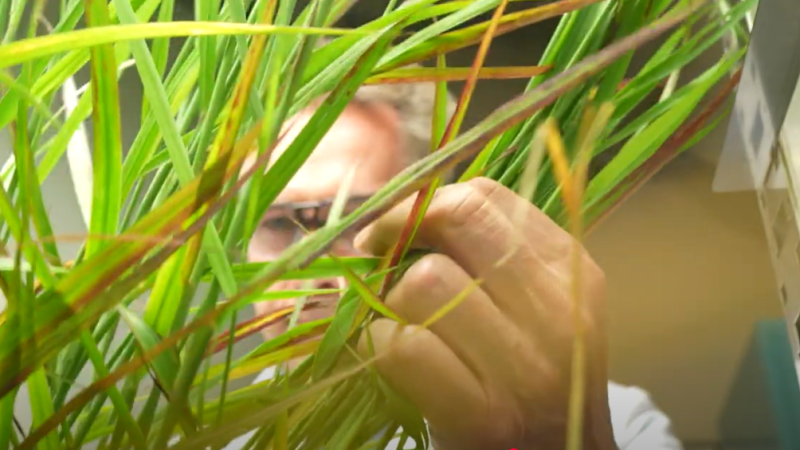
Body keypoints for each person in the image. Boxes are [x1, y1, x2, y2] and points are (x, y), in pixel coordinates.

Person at [232, 79, 684, 450]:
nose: (319, 271)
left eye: (356, 219)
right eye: (277, 223)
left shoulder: (607, 423)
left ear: (429, 225)